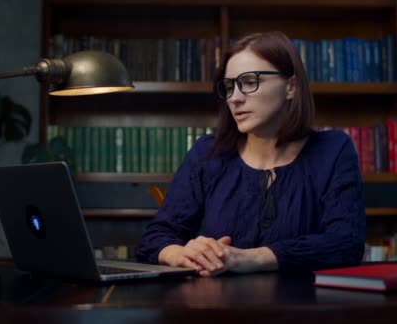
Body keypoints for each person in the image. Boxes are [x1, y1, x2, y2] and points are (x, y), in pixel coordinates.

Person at [135, 31, 366, 276]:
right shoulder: (208, 153)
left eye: (248, 82)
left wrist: (253, 257)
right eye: (229, 86)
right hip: (221, 308)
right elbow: (153, 239)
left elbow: (346, 244)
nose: (234, 98)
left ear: (290, 86)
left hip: (304, 309)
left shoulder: (332, 150)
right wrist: (184, 253)